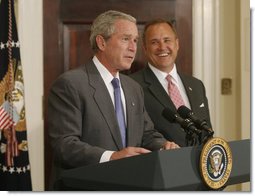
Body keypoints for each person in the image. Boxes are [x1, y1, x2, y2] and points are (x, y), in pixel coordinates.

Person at [47, 11, 179, 190]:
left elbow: (146, 133)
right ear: (102, 42)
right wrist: (111, 157)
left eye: (135, 40)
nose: (133, 47)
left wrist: (164, 145)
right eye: (126, 39)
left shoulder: (133, 88)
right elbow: (65, 145)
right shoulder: (70, 84)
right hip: (86, 187)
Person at [130, 19, 212, 147]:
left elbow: (207, 131)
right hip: (160, 163)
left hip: (199, 163)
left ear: (177, 44)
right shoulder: (133, 85)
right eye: (154, 42)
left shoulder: (196, 85)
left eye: (167, 40)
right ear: (145, 48)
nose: (162, 47)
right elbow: (135, 135)